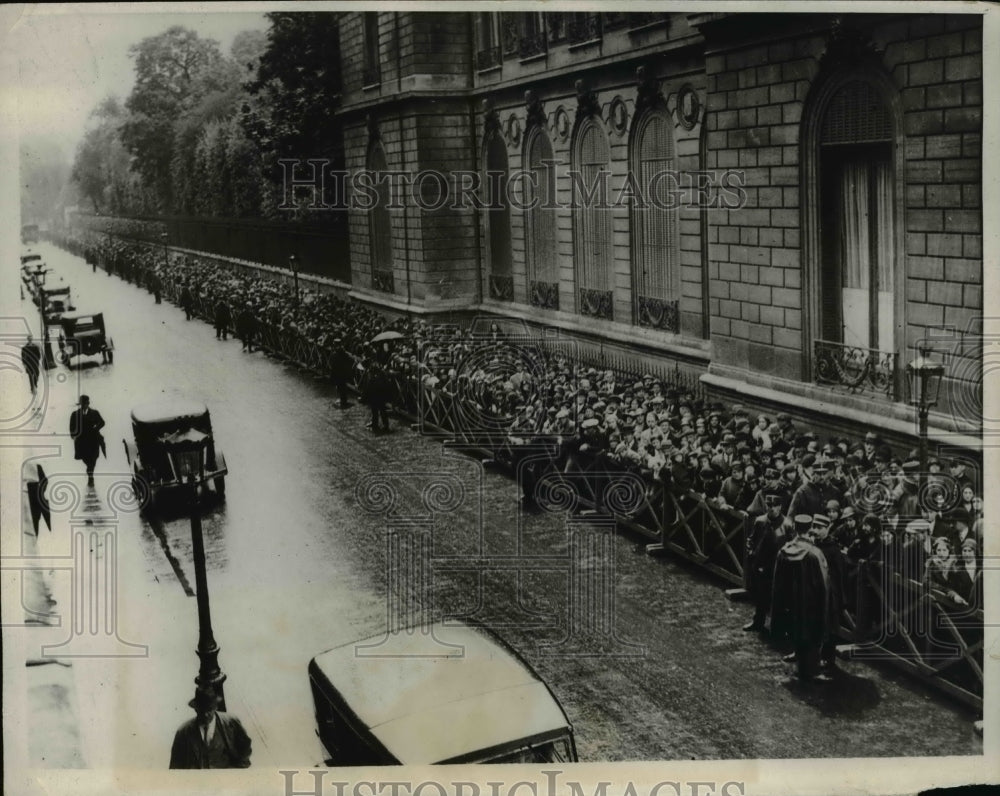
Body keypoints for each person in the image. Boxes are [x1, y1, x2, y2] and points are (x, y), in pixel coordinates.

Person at [771, 514, 832, 682]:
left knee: (796, 628)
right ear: (810, 529)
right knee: (811, 634)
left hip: (790, 602)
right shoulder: (814, 554)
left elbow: (778, 581)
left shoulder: (784, 551)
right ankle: (810, 671)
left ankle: (798, 657)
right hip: (810, 603)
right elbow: (824, 583)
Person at [743, 490, 792, 633]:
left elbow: (792, 544)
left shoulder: (787, 525)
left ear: (780, 507)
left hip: (779, 566)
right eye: (769, 505)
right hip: (762, 565)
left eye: (774, 506)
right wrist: (751, 552)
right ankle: (758, 622)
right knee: (760, 595)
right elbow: (751, 539)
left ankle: (778, 628)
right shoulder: (760, 521)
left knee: (780, 598)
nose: (771, 508)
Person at [169, 687, 252, 769]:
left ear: (216, 707)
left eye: (209, 710)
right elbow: (175, 767)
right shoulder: (183, 732)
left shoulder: (230, 723)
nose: (205, 714)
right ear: (196, 709)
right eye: (201, 710)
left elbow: (245, 750)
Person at [69, 395, 105, 485]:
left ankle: (90, 474)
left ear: (88, 403)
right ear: (81, 404)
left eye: (86, 403)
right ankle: (90, 472)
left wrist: (96, 428)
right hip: (82, 442)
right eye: (83, 404)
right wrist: (74, 435)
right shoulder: (75, 414)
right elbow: (72, 427)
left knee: (94, 458)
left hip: (93, 440)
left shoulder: (94, 413)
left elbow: (102, 422)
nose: (85, 405)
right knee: (85, 458)